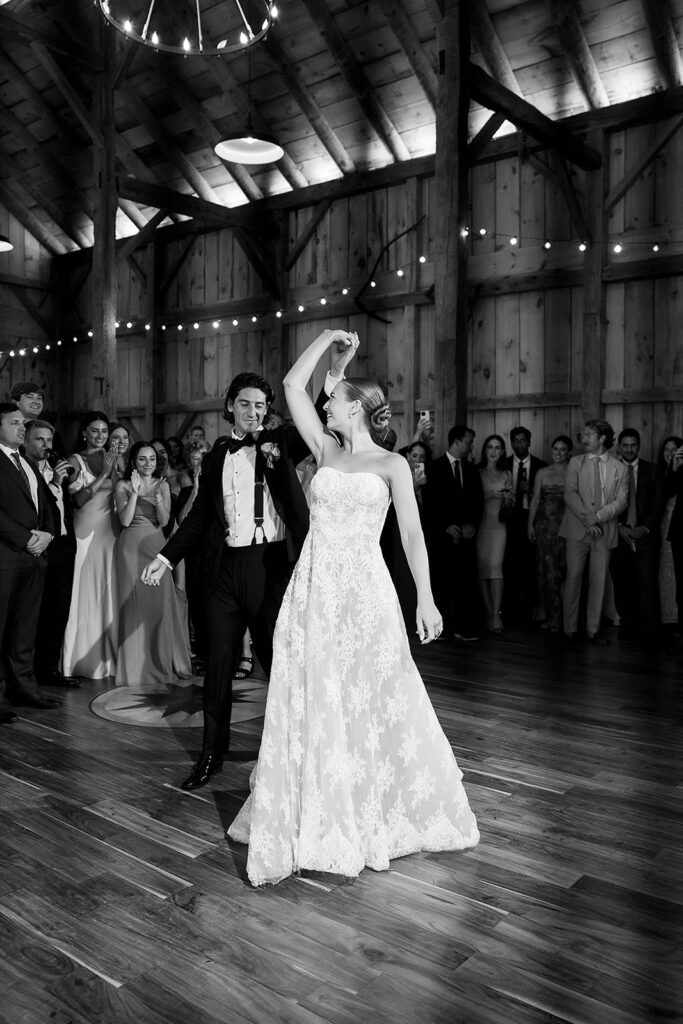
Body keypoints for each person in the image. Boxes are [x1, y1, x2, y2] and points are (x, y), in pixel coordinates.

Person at [227, 328, 479, 886]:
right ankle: (319, 807)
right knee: (316, 695)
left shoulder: (391, 466)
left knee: (371, 695)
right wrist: (328, 343)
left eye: (335, 400)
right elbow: (294, 383)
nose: (326, 404)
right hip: (315, 588)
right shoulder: (324, 449)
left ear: (357, 410)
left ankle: (370, 808)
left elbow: (413, 537)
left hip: (366, 594)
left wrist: (428, 601)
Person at [141, 348, 356, 790]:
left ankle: (293, 753)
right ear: (229, 408)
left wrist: (334, 372)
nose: (254, 412)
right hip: (224, 572)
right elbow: (201, 515)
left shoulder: (282, 444)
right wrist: (165, 558)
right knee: (216, 668)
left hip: (270, 568)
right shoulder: (219, 454)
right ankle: (209, 757)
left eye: (261, 405)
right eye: (245, 404)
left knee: (278, 663)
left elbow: (314, 415)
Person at [0, 403, 61, 723]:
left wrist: (48, 535)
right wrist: (25, 538)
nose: (22, 428)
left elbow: (48, 504)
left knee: (25, 631)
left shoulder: (26, 460)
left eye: (23, 424)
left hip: (34, 558)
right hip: (6, 557)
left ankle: (25, 688)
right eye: (14, 423)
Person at [114, 443, 192, 686]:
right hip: (129, 550)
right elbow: (125, 521)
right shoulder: (123, 485)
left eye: (151, 459)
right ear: (133, 462)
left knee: (158, 606)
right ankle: (134, 668)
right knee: (133, 608)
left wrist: (159, 501)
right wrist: (135, 493)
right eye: (142, 459)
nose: (147, 463)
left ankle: (159, 662)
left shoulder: (164, 484)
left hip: (156, 547)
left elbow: (165, 520)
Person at [559, 420, 629, 644]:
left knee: (599, 581)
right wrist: (588, 520)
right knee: (574, 577)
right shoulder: (575, 462)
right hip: (577, 530)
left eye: (589, 434)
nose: (584, 438)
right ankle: (569, 628)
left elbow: (621, 502)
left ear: (602, 438)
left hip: (604, 530)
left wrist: (598, 518)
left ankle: (592, 630)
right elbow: (570, 494)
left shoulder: (621, 468)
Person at [23, 419, 79, 689]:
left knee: (59, 611)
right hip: (40, 548)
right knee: (37, 612)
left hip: (65, 545)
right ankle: (28, 674)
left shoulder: (55, 466)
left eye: (49, 440)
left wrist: (62, 482)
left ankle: (49, 670)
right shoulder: (24, 470)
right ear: (25, 440)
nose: (46, 446)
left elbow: (65, 507)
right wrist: (56, 483)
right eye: (39, 439)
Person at [62, 411, 119, 679]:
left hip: (109, 537)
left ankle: (105, 660)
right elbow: (77, 501)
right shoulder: (75, 460)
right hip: (84, 535)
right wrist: (104, 474)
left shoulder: (114, 460)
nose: (100, 436)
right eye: (94, 431)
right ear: (84, 432)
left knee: (105, 595)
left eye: (104, 432)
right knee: (82, 594)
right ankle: (76, 661)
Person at [422, 425, 484, 642]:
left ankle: (463, 627)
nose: (471, 446)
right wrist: (444, 527)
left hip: (466, 538)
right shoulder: (434, 468)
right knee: (441, 582)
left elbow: (478, 502)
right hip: (442, 537)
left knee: (465, 583)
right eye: (468, 442)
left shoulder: (471, 469)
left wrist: (472, 525)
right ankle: (440, 628)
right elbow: (428, 504)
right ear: (457, 442)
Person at [610, 429, 663, 647]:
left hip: (645, 536)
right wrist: (619, 526)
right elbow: (603, 503)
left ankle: (651, 631)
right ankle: (628, 625)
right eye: (625, 445)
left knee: (646, 583)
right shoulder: (610, 470)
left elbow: (658, 503)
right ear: (619, 447)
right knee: (622, 583)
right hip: (619, 536)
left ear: (639, 446)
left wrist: (645, 528)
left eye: (633, 445)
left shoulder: (653, 470)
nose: (629, 449)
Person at [502, 426, 547, 628]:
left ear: (529, 442)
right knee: (508, 566)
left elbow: (548, 497)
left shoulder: (540, 466)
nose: (519, 444)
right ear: (511, 443)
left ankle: (529, 613)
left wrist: (531, 491)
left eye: (523, 440)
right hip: (508, 522)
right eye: (516, 441)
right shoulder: (503, 464)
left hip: (532, 522)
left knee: (530, 568)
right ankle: (508, 612)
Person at [527, 435, 572, 632]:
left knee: (566, 572)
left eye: (563, 449)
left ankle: (569, 619)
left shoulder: (574, 471)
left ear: (569, 452)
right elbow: (536, 499)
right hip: (544, 526)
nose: (559, 453)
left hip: (568, 526)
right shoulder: (542, 472)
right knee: (548, 572)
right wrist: (530, 525)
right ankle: (552, 617)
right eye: (555, 449)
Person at [476, 435, 513, 633]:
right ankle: (488, 613)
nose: (493, 451)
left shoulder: (507, 474)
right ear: (484, 450)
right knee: (482, 569)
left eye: (497, 448)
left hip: (499, 526)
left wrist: (509, 497)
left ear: (502, 451)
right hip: (482, 524)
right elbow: (473, 499)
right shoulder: (478, 472)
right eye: (490, 447)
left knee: (496, 567)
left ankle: (496, 614)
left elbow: (511, 503)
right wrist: (491, 495)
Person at [658, 436, 682, 634]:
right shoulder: (666, 470)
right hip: (669, 529)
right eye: (667, 449)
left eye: (674, 449)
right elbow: (665, 492)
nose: (670, 452)